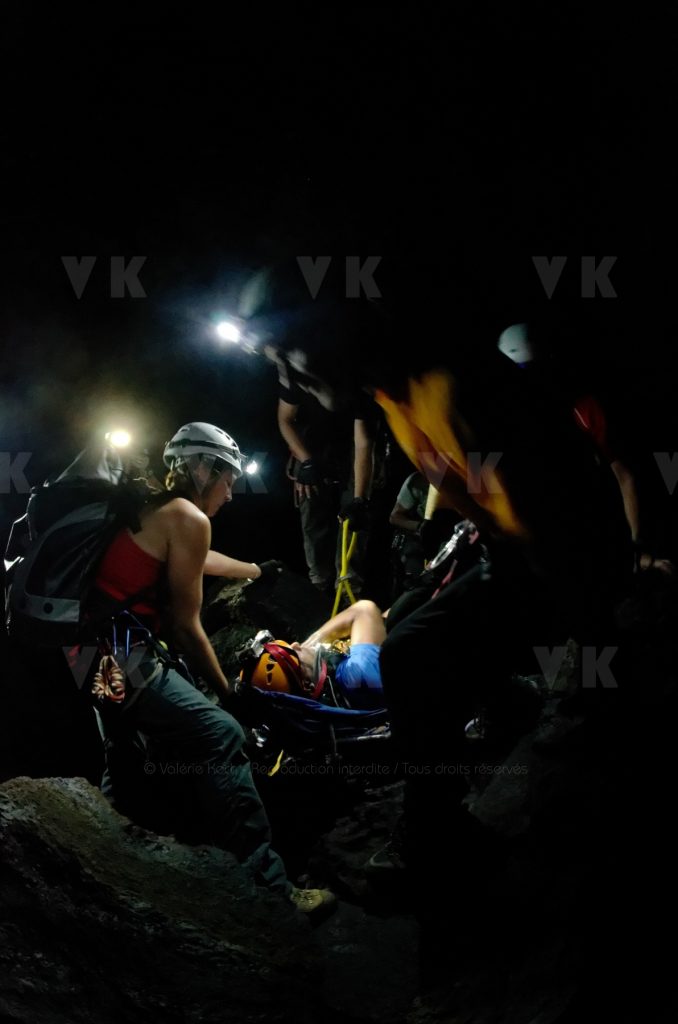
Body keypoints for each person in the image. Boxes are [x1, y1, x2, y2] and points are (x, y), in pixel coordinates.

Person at [88, 421, 335, 915]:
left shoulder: (154, 505)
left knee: (128, 752)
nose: (231, 491)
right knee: (221, 735)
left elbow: (197, 559)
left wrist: (255, 571)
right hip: (123, 658)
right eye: (227, 478)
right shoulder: (188, 518)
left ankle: (105, 856)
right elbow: (185, 626)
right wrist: (227, 696)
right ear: (203, 468)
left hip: (88, 656)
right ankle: (271, 891)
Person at [269, 345, 377, 600]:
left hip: (350, 452)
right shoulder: (297, 377)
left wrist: (360, 499)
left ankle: (349, 589)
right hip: (311, 447)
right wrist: (306, 461)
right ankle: (319, 588)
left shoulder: (361, 385)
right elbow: (285, 420)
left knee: (353, 517)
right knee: (313, 517)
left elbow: (363, 444)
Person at [244, 599, 386, 711]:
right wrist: (317, 637)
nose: (296, 644)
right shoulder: (355, 673)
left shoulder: (311, 717)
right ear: (308, 685)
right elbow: (364, 609)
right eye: (293, 653)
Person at [388, 470, 428, 597]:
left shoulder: (473, 470)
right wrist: (420, 527)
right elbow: (395, 517)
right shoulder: (418, 480)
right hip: (422, 537)